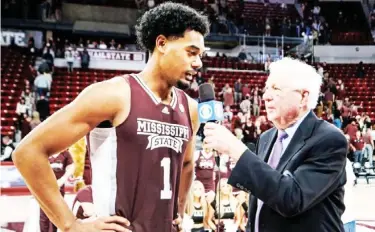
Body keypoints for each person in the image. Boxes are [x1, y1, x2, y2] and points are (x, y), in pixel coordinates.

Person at [12, 2, 209, 232]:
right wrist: (70, 225)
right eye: (191, 52)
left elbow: (186, 163)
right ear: (162, 43)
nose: (198, 63)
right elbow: (28, 152)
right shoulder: (114, 95)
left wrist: (179, 209)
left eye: (201, 55)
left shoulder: (190, 108)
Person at [203, 58, 347, 232]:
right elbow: (259, 203)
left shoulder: (329, 140)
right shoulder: (266, 138)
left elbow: (292, 198)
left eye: (276, 89)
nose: (266, 96)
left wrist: (235, 148)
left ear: (303, 96)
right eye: (266, 89)